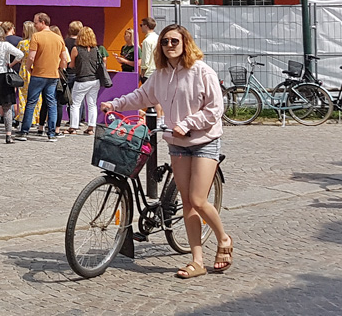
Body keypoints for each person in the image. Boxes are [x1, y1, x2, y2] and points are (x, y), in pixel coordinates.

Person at [101, 24, 232, 278]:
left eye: (174, 41)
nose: (169, 46)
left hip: (204, 141)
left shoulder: (202, 72)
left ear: (185, 43)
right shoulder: (160, 75)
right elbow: (141, 97)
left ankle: (224, 239)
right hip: (177, 143)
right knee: (187, 204)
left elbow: (215, 109)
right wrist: (114, 104)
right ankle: (197, 260)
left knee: (197, 199)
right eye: (165, 42)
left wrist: (186, 124)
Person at [15, 13, 70, 142]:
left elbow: (31, 56)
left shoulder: (36, 37)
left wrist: (29, 68)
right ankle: (51, 133)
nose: (34, 25)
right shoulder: (58, 38)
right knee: (51, 103)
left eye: (36, 23)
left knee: (31, 103)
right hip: (53, 75)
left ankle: (24, 132)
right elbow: (63, 59)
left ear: (43, 22)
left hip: (38, 74)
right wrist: (59, 69)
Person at [70, 27, 103, 135]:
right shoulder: (96, 49)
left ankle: (73, 127)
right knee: (92, 104)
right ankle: (91, 127)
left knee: (75, 104)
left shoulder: (76, 49)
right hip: (94, 80)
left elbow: (72, 65)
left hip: (81, 80)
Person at [14, 21, 35, 129]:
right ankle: (35, 118)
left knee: (22, 95)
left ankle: (23, 118)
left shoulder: (23, 43)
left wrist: (11, 64)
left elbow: (18, 57)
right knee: (36, 96)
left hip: (24, 70)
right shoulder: (36, 42)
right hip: (35, 70)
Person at [139, 17, 159, 83]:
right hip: (158, 71)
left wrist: (142, 72)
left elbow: (145, 59)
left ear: (146, 26)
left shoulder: (146, 41)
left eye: (141, 25)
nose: (141, 27)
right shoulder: (158, 38)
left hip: (148, 74)